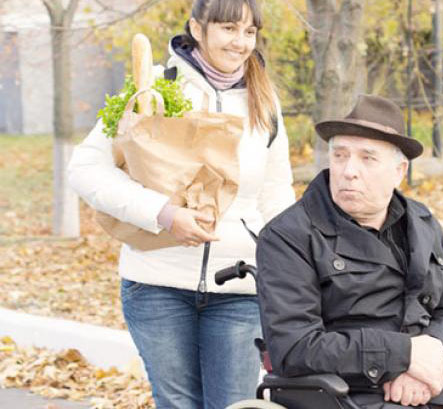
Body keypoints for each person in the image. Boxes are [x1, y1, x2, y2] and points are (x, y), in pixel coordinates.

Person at [67, 0, 294, 407]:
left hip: (240, 287)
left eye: (249, 32)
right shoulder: (150, 86)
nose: (240, 43)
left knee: (234, 405)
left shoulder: (266, 101)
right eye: (228, 29)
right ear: (197, 27)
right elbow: (85, 168)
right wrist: (164, 214)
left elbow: (276, 194)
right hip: (156, 285)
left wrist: (290, 272)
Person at [255, 94, 443, 409]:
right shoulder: (288, 237)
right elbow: (295, 349)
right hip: (339, 390)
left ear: (399, 170)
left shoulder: (422, 222)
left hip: (429, 384)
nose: (349, 171)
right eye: (340, 155)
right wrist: (403, 354)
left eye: (367, 158)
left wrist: (433, 355)